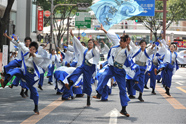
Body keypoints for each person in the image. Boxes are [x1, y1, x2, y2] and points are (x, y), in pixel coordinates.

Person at [65, 29, 99, 106]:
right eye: (89, 42)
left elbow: (96, 53)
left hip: (89, 68)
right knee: (76, 72)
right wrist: (73, 35)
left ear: (93, 44)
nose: (90, 43)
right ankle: (70, 84)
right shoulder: (85, 49)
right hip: (83, 65)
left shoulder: (94, 50)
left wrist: (95, 46)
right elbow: (78, 44)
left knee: (87, 84)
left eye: (91, 42)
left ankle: (88, 97)